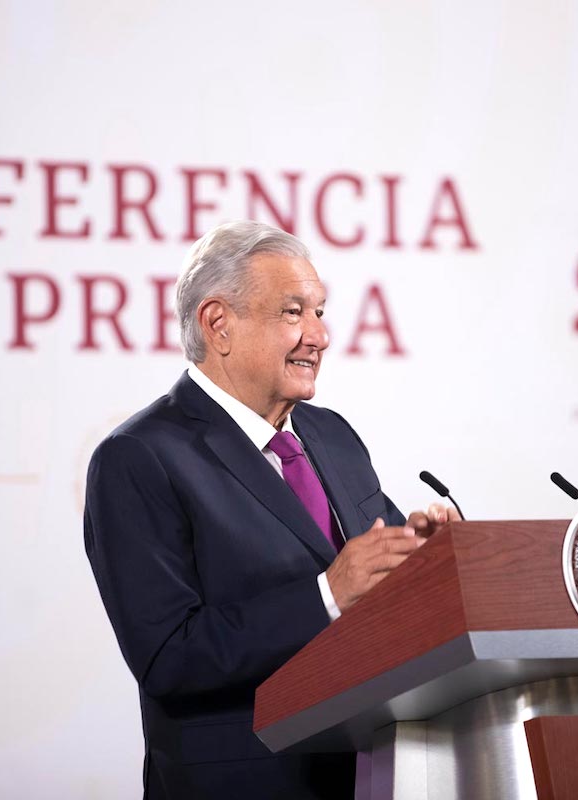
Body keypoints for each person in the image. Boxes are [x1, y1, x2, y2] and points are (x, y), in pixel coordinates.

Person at [84, 220, 457, 799]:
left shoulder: (332, 436)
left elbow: (372, 574)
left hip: (373, 777)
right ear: (218, 324)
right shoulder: (139, 457)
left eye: (320, 311)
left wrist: (420, 557)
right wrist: (327, 594)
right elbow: (168, 657)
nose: (320, 335)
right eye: (293, 312)